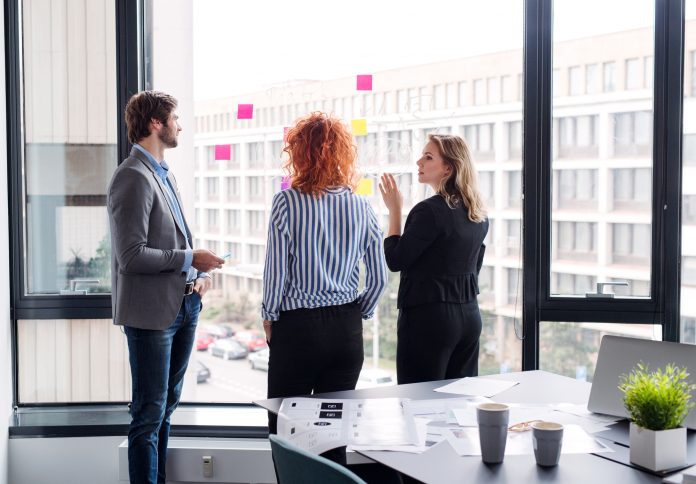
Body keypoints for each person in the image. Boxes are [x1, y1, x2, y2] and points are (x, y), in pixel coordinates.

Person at [107, 90, 225, 484]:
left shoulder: (164, 173)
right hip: (152, 316)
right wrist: (191, 259)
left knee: (166, 408)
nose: (179, 125)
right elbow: (132, 255)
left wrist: (198, 275)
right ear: (156, 124)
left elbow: (173, 243)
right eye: (174, 118)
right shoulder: (132, 176)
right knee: (148, 414)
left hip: (183, 306)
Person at [261, 111, 388, 446]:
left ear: (300, 155)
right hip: (346, 332)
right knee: (334, 438)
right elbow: (379, 278)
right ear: (343, 156)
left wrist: (269, 316)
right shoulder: (363, 208)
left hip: (297, 330)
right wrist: (357, 312)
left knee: (287, 435)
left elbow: (276, 271)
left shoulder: (286, 202)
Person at [379, 133, 488, 385]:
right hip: (470, 318)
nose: (419, 162)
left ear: (448, 167)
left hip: (430, 320)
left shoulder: (429, 210)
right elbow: (474, 267)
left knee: (418, 405)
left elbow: (396, 260)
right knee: (458, 404)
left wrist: (395, 210)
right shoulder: (477, 213)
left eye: (428, 157)